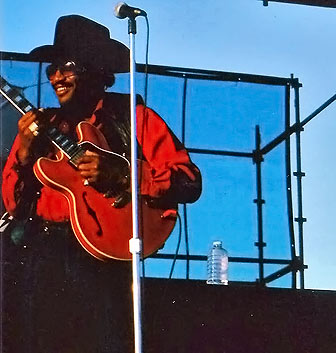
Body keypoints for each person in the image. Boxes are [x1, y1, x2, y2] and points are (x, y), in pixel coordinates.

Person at [1, 15, 201, 353]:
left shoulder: (134, 117)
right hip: (43, 258)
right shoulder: (41, 126)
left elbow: (189, 181)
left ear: (95, 70)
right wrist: (22, 149)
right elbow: (12, 203)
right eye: (52, 69)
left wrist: (123, 174)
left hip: (105, 262)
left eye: (66, 67)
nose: (56, 77)